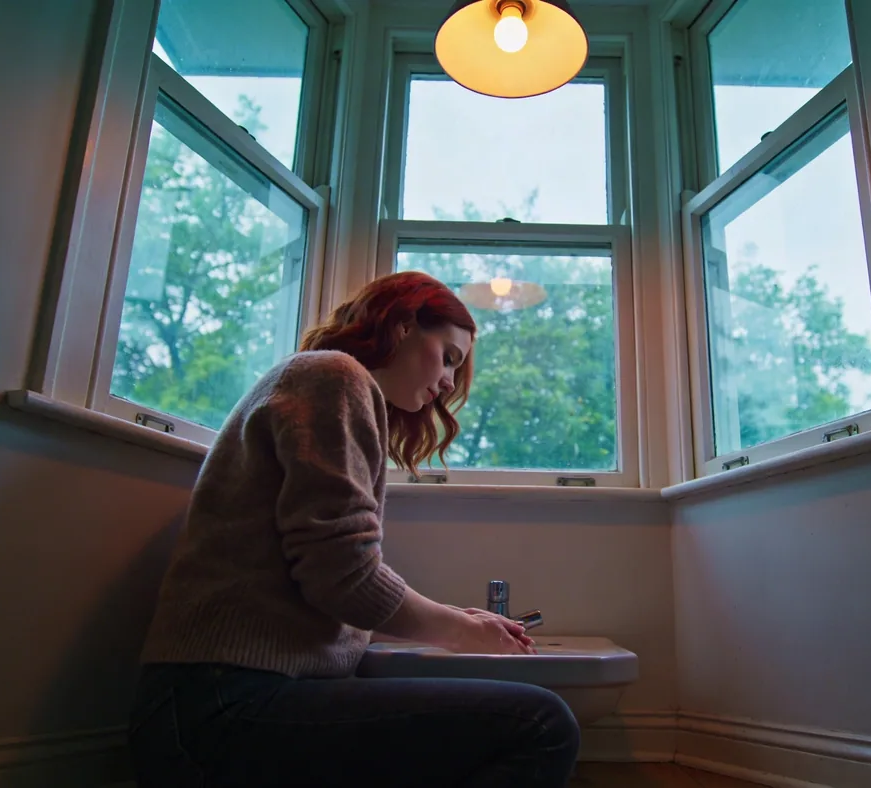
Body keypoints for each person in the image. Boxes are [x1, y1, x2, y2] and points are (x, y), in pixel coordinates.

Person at [127, 271, 581, 787]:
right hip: (220, 706)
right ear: (405, 324)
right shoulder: (334, 376)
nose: (451, 383)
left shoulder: (326, 383)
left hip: (209, 704)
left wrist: (457, 618)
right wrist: (463, 631)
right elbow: (343, 576)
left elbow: (328, 587)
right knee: (541, 724)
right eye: (449, 356)